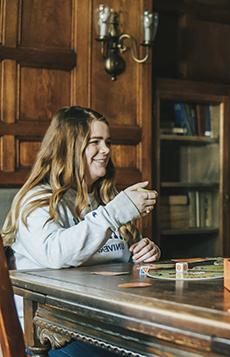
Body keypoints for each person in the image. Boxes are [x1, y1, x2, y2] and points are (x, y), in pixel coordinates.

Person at [1, 106, 161, 356]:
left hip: (104, 325)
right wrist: (114, 213)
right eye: (95, 142)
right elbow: (57, 254)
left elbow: (121, 258)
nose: (106, 150)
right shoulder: (36, 201)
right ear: (68, 148)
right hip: (49, 334)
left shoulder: (106, 197)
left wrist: (144, 253)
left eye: (107, 142)